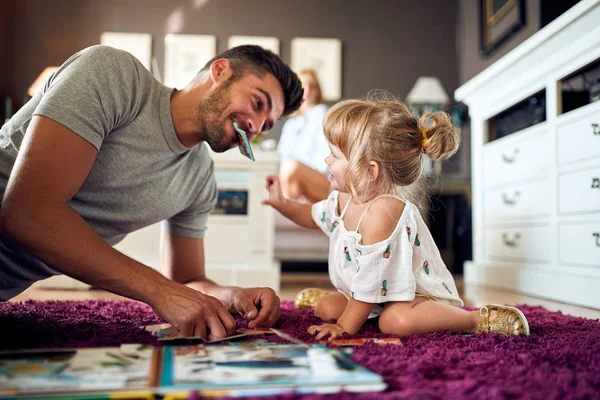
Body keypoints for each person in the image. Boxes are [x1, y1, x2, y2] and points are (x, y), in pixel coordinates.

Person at [0, 44, 303, 340]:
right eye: (257, 103)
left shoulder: (199, 178)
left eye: (266, 125)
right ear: (221, 71)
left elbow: (185, 282)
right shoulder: (112, 74)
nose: (255, 125)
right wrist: (159, 290)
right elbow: (28, 213)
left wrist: (232, 295)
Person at [263, 95, 530, 339]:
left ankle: (473, 319)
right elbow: (311, 215)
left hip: (416, 297)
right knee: (327, 307)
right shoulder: (343, 199)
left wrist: (344, 327)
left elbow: (370, 281)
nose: (326, 161)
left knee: (395, 322)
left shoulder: (384, 211)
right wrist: (281, 203)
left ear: (369, 170)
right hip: (376, 297)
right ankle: (351, 301)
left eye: (334, 155)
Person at [277, 69, 330, 203]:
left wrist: (302, 172)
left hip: (322, 179)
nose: (307, 90)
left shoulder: (326, 117)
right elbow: (283, 157)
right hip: (293, 182)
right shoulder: (291, 125)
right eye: (303, 86)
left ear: (318, 90)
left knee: (291, 167)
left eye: (312, 86)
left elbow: (326, 160)